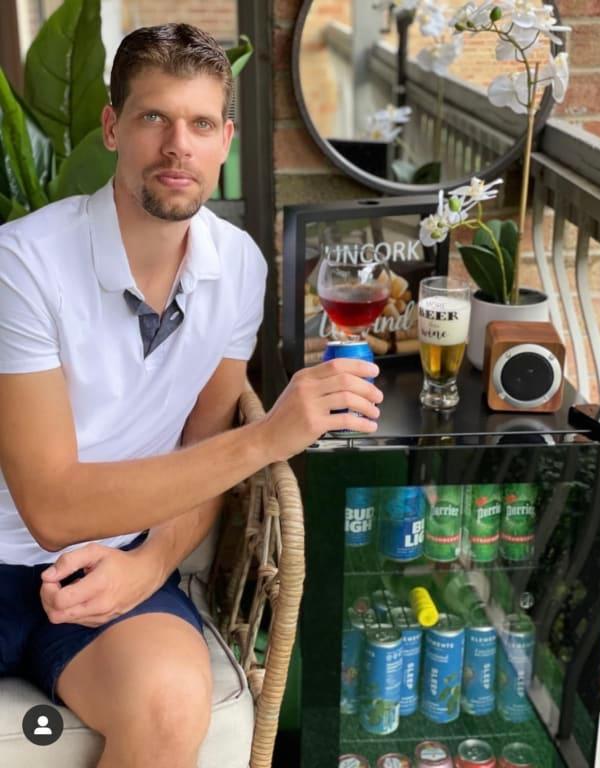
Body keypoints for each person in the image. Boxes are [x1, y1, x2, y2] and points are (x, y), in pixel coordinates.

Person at [0, 23, 381, 768]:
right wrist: (270, 435)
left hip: (115, 565)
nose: (179, 145)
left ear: (225, 139)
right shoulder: (24, 262)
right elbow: (49, 508)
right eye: (153, 118)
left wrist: (148, 564)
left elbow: (203, 454)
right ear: (112, 127)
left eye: (200, 123)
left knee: (174, 706)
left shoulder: (237, 266)